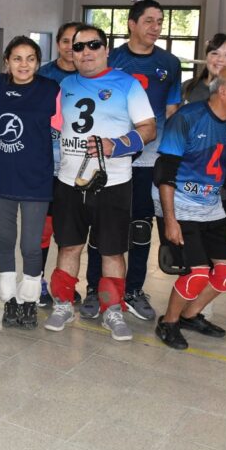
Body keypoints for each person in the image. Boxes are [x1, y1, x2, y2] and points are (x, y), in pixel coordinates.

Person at [46, 25, 156, 339]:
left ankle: (112, 310)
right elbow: (55, 127)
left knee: (111, 252)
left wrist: (117, 144)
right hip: (69, 182)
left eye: (93, 45)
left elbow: (149, 128)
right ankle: (63, 304)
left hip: (114, 183)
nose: (86, 52)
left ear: (106, 49)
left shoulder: (127, 84)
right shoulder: (65, 84)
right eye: (78, 47)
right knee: (69, 247)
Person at [81, 0, 181, 324]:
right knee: (102, 226)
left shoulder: (170, 63)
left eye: (160, 21)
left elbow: (171, 112)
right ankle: (95, 288)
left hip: (147, 161)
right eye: (149, 20)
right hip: (109, 159)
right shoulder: (113, 59)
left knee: (141, 226)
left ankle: (134, 290)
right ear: (131, 24)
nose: (156, 27)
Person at [153, 68, 226, 350]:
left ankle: (190, 315)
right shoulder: (188, 118)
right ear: (223, 91)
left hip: (211, 207)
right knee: (196, 272)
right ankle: (168, 322)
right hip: (178, 206)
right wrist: (170, 220)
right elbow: (165, 172)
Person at [0, 36, 59, 329]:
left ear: (38, 62)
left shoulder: (50, 90)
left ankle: (29, 300)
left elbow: (63, 133)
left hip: (36, 180)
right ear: (7, 61)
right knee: (5, 239)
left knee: (31, 245)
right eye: (17, 58)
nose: (24, 64)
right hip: (2, 176)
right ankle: (10, 301)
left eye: (31, 58)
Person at [36, 21, 82, 307]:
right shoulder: (44, 75)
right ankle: (38, 281)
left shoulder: (89, 76)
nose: (70, 48)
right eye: (65, 41)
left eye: (76, 43)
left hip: (76, 169)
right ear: (58, 45)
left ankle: (63, 283)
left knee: (69, 233)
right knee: (43, 231)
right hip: (45, 168)